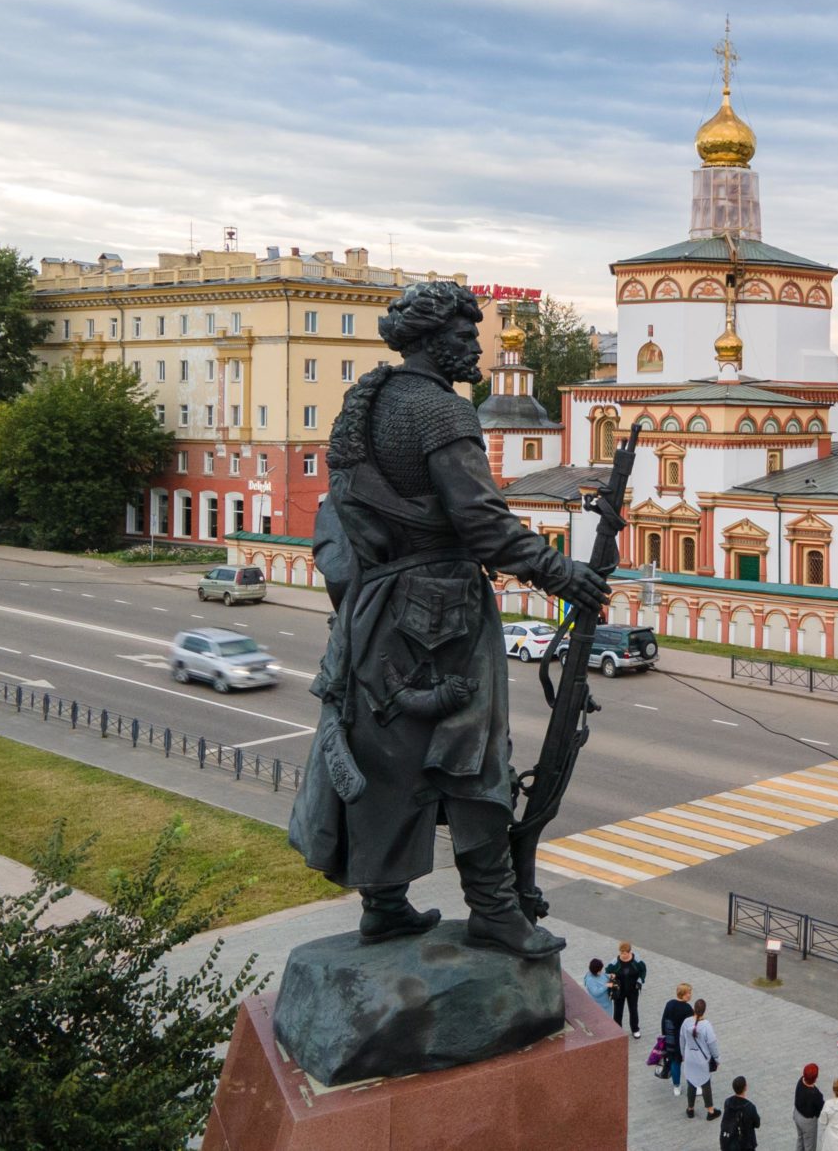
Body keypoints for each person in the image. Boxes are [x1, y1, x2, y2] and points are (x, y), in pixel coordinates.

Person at [286, 280, 610, 961]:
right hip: (443, 615)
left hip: (375, 610)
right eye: (465, 336)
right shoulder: (440, 411)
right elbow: (482, 522)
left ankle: (383, 905)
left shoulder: (369, 400)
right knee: (472, 760)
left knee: (385, 761)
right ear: (435, 340)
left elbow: (342, 514)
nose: (476, 348)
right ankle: (493, 910)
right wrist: (562, 574)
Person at [679, 998, 720, 1120]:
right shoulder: (706, 1025)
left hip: (689, 1057)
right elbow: (712, 1044)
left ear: (694, 1009)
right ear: (704, 1010)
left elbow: (682, 1039)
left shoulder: (686, 1022)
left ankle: (690, 1109)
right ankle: (710, 1111)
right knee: (705, 1083)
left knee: (691, 1082)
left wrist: (683, 1054)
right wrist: (717, 1058)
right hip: (702, 1059)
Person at [657, 982, 694, 1091]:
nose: (690, 995)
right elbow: (690, 1028)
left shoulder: (669, 1004)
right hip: (683, 1041)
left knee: (674, 1062)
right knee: (689, 1063)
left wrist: (664, 1036)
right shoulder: (687, 1009)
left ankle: (676, 1086)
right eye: (689, 993)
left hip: (670, 1040)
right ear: (684, 994)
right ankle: (693, 1084)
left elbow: (663, 1021)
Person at [606, 940, 646, 1038]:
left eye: (625, 953)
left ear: (629, 952)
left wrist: (640, 981)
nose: (623, 955)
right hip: (619, 991)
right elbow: (607, 971)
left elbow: (643, 970)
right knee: (618, 1011)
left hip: (633, 990)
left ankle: (635, 1029)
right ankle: (618, 1030)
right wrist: (611, 976)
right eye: (621, 953)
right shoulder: (615, 962)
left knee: (633, 1010)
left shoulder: (637, 960)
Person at [719, 1076, 761, 1151]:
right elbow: (757, 1124)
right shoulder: (750, 1107)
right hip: (746, 1143)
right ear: (745, 1087)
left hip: (730, 1141)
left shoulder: (728, 1102)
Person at [793, 1063, 824, 1151]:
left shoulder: (800, 1081)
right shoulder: (815, 1094)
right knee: (810, 1146)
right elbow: (821, 1108)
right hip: (808, 1123)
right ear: (815, 1078)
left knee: (800, 1140)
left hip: (797, 1114)